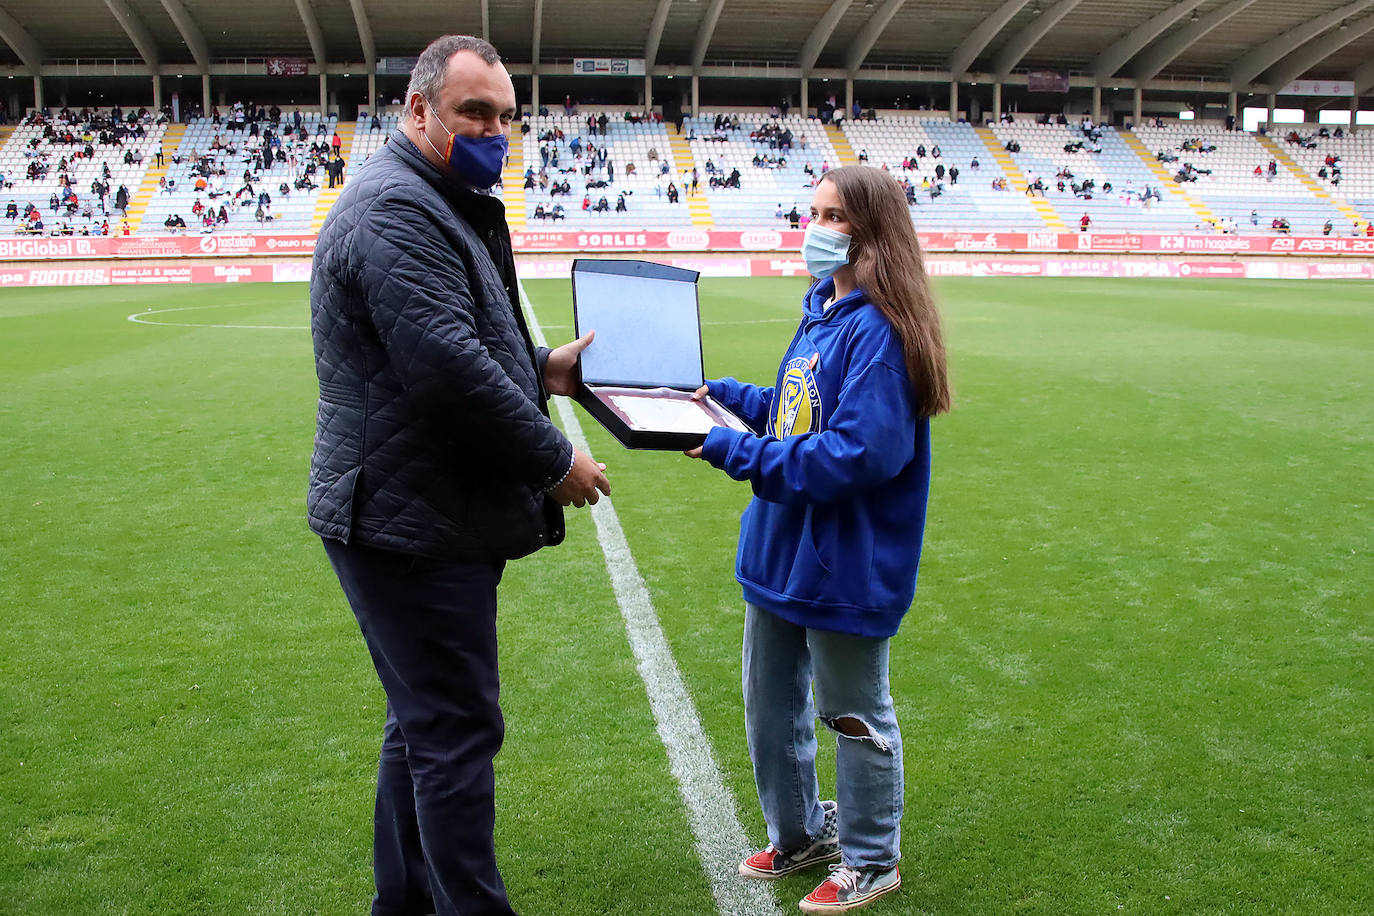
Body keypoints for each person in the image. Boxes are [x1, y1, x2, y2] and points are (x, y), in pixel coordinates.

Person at [308, 35, 610, 916]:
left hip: (414, 507)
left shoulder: (442, 197)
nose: (495, 131)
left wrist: (543, 365)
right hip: (407, 519)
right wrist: (556, 459)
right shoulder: (398, 207)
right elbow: (444, 365)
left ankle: (401, 904)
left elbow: (467, 338)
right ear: (418, 110)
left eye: (507, 117)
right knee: (453, 732)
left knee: (424, 724)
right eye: (476, 112)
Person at [684, 166, 950, 914]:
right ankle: (799, 834)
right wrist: (725, 400)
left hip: (846, 564)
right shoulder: (822, 311)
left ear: (871, 232)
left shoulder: (883, 332)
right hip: (778, 552)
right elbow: (796, 411)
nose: (818, 228)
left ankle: (871, 857)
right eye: (815, 211)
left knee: (852, 714)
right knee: (770, 706)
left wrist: (737, 453)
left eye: (835, 215)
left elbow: (858, 454)